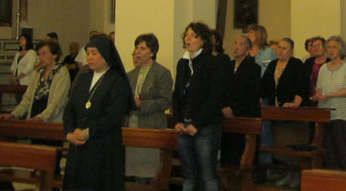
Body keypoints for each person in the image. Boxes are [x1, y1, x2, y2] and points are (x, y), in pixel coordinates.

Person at [63, 34, 135, 190]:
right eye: (88, 53)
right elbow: (69, 109)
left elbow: (114, 116)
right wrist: (70, 132)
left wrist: (88, 132)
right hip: (78, 143)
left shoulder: (117, 81)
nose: (89, 57)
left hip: (104, 145)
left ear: (106, 55)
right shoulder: (82, 79)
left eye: (94, 53)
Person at [172, 22, 229, 191]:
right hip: (185, 124)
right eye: (187, 35)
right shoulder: (183, 63)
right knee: (189, 176)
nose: (188, 39)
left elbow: (215, 98)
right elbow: (177, 94)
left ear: (203, 41)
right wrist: (177, 120)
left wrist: (197, 124)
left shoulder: (212, 63)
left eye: (194, 36)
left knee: (207, 175)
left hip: (205, 126)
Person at [125, 33, 173, 184]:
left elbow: (165, 101)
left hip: (150, 127)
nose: (138, 51)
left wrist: (142, 104)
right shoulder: (130, 74)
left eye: (142, 48)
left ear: (152, 52)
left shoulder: (162, 73)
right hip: (131, 126)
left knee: (148, 173)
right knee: (132, 172)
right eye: (136, 48)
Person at [260, 37, 307, 187]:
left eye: (284, 48)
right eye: (279, 47)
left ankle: (295, 176)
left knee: (290, 145)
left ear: (291, 51)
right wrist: (260, 98)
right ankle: (285, 174)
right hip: (276, 113)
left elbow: (301, 86)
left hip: (292, 116)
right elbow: (264, 85)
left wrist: (295, 103)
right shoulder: (273, 64)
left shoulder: (296, 64)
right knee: (279, 146)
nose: (280, 50)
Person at [0, 40, 70, 122]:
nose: (40, 57)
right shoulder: (38, 73)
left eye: (44, 53)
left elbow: (57, 102)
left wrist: (41, 117)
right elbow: (27, 99)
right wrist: (14, 114)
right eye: (39, 54)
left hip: (51, 123)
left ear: (55, 55)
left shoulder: (62, 72)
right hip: (33, 120)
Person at [313, 35, 346, 171]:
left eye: (334, 47)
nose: (331, 50)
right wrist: (319, 94)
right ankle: (332, 177)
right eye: (329, 47)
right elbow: (319, 87)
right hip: (325, 111)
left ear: (341, 49)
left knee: (341, 146)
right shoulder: (323, 68)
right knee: (329, 147)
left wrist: (330, 95)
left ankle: (345, 176)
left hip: (342, 112)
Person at [220, 35, 260, 165]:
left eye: (241, 44)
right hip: (226, 114)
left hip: (245, 113)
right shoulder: (226, 66)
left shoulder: (253, 68)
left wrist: (233, 109)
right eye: (235, 43)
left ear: (248, 50)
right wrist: (224, 107)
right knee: (227, 152)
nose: (236, 47)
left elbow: (250, 94)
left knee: (242, 152)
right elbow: (221, 89)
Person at [302, 36, 329, 100]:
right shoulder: (308, 62)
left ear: (324, 47)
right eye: (314, 46)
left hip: (327, 98)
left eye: (319, 46)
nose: (316, 48)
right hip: (310, 98)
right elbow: (304, 81)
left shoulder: (329, 62)